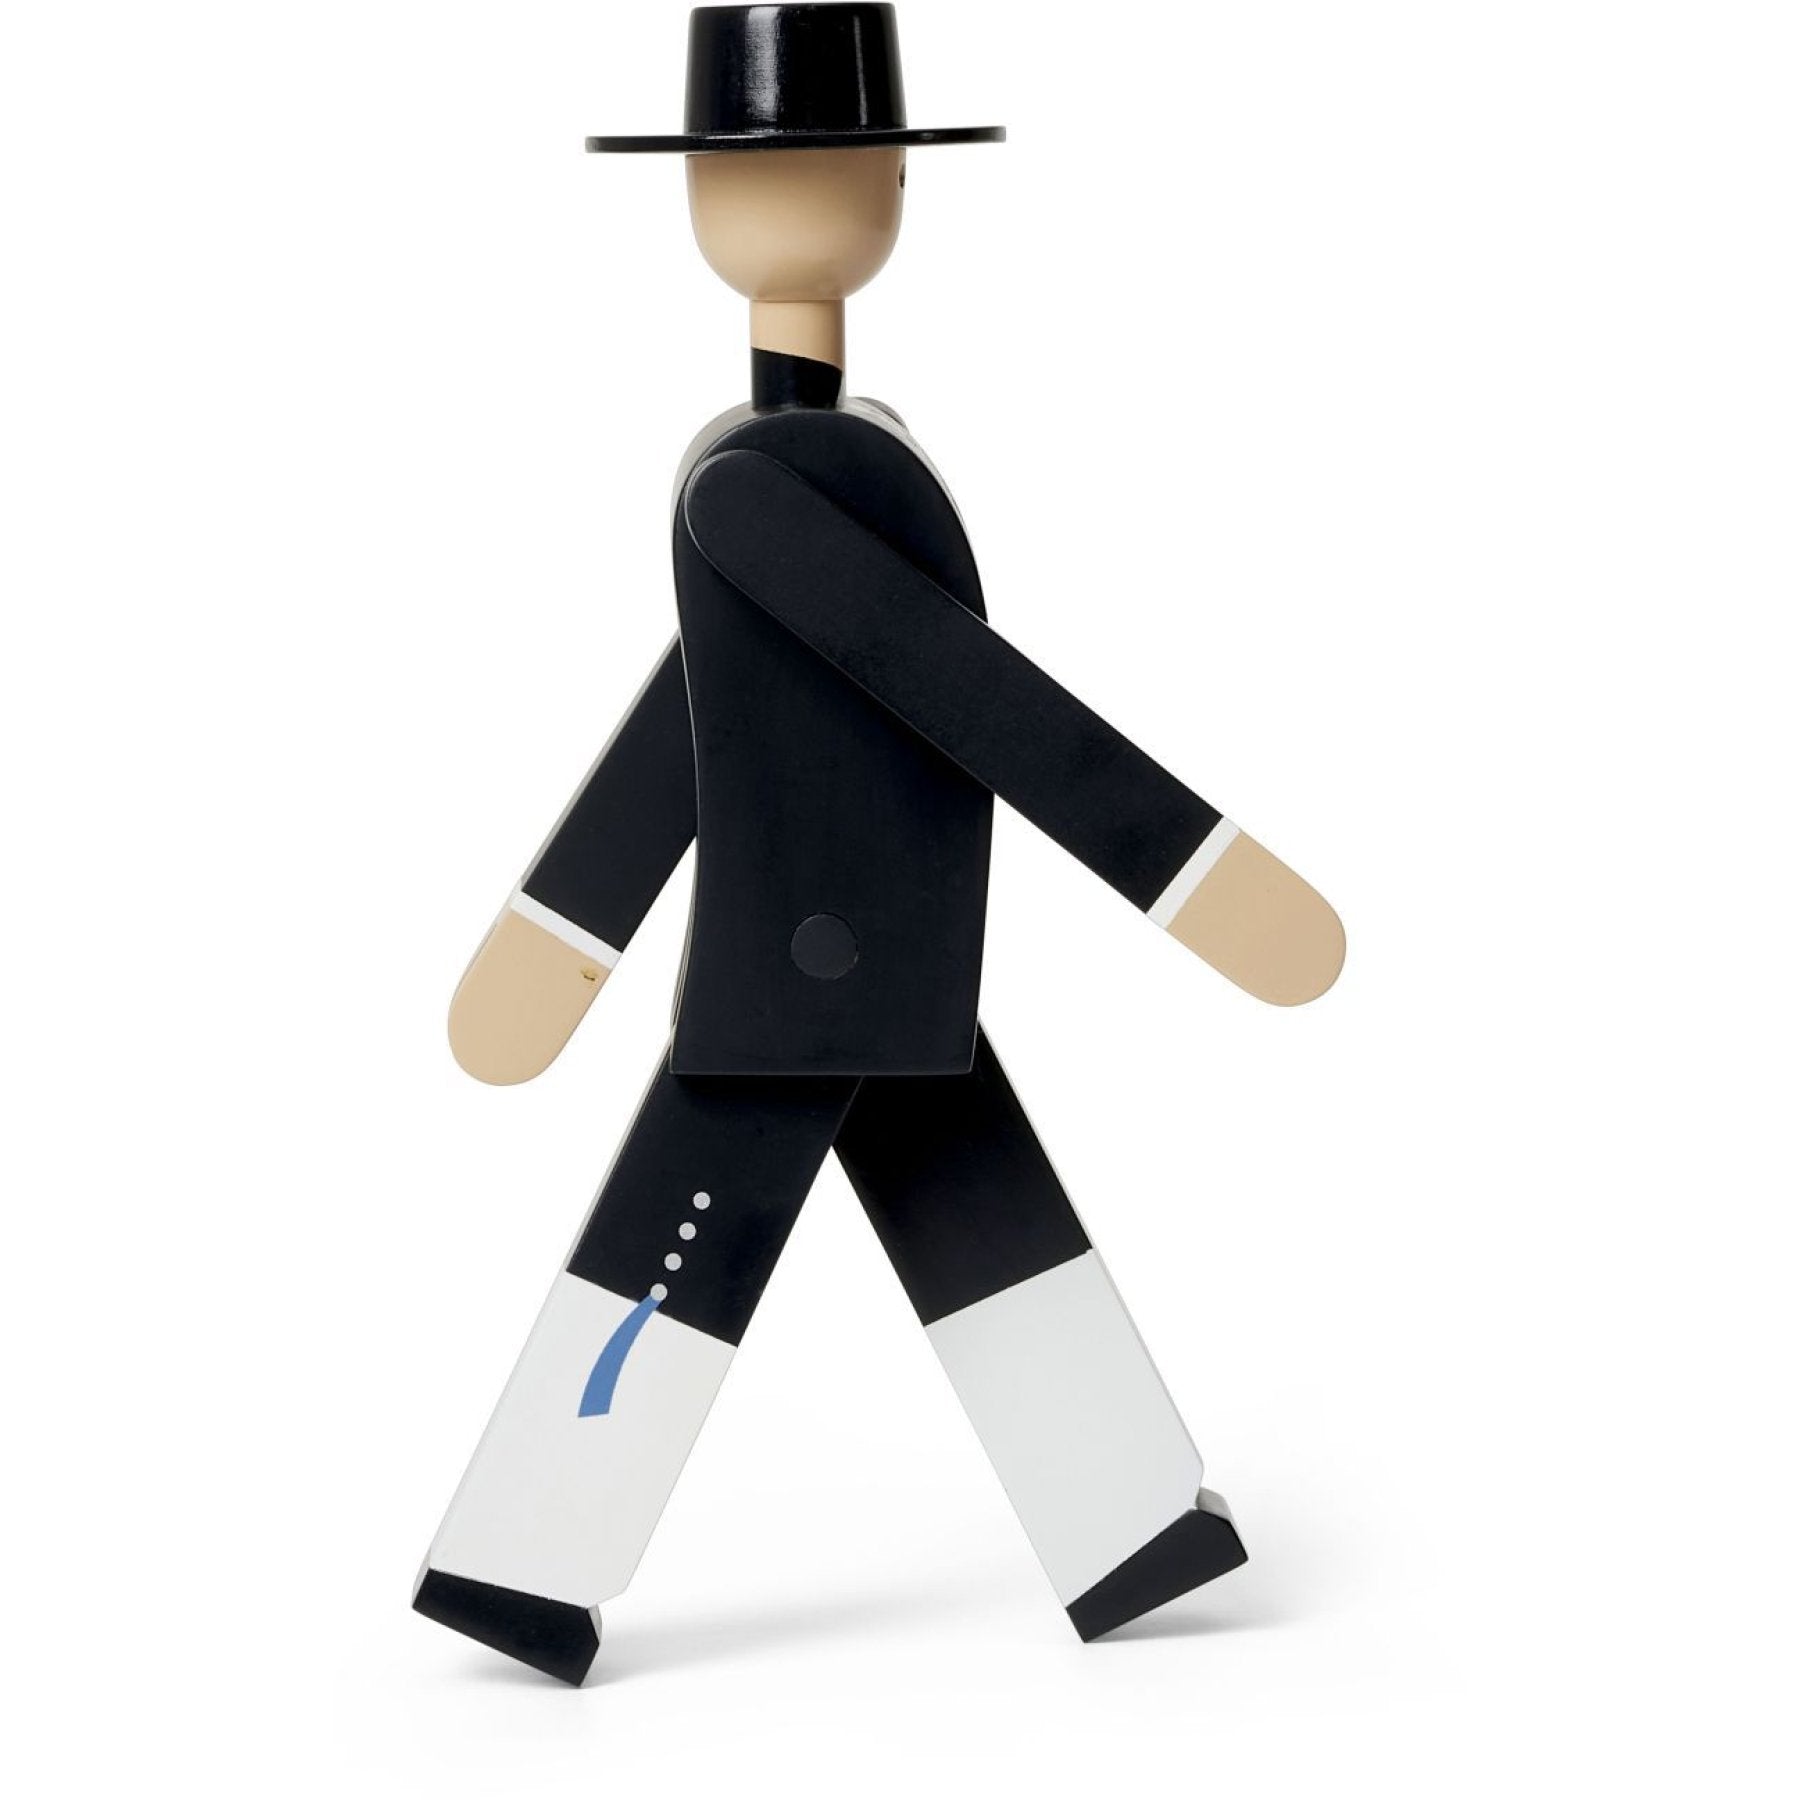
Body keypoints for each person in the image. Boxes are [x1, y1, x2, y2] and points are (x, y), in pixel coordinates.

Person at [416, 3, 1343, 1685]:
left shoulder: (804, 470)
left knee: (927, 1228)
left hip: (855, 941)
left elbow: (771, 702)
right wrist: (1198, 878)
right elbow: (933, 702)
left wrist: (558, 940)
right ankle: (523, 1560)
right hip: (820, 954)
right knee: (720, 1254)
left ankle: (1128, 1525)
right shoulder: (769, 485)